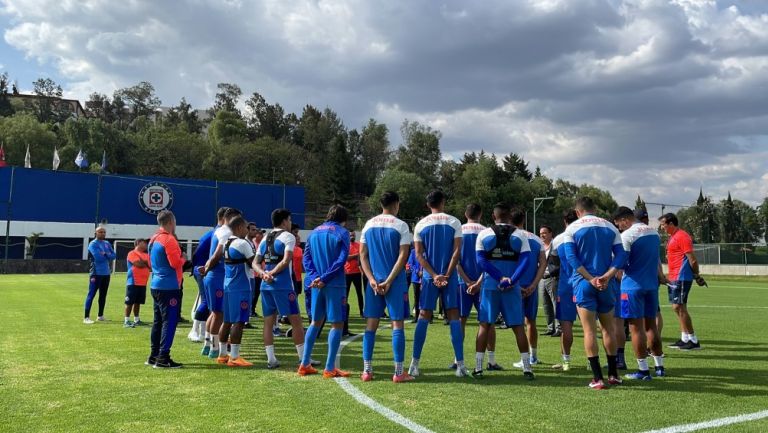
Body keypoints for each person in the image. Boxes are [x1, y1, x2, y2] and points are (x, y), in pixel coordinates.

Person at [563, 197, 627, 389]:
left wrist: (590, 278)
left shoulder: (572, 228)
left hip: (584, 282)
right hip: (606, 284)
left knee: (589, 330)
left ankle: (597, 378)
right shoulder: (610, 227)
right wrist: (607, 276)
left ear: (577, 212)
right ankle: (613, 375)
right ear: (594, 209)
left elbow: (572, 258)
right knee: (608, 329)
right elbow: (622, 255)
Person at [473, 202, 534, 380]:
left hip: (491, 286)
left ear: (494, 216)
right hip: (512, 288)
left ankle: (478, 368)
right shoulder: (520, 235)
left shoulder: (484, 234)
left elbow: (481, 262)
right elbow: (526, 262)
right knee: (518, 327)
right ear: (509, 216)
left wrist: (499, 277)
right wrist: (511, 280)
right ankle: (527, 368)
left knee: (485, 325)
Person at [408, 190, 466, 378]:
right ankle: (461, 366)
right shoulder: (454, 221)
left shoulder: (421, 224)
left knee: (424, 316)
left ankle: (414, 365)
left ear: (428, 205)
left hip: (428, 278)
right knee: (454, 316)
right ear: (443, 202)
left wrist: (433, 275)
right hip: (449, 278)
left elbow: (418, 254)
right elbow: (457, 252)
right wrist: (447, 275)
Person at [359, 192, 413, 382]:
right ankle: (399, 373)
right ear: (396, 204)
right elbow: (403, 255)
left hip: (373, 282)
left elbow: (362, 256)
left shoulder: (368, 224)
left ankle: (367, 371)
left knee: (371, 325)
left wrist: (372, 279)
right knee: (397, 324)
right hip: (395, 282)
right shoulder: (401, 225)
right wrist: (389, 280)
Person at [612, 206, 666, 380]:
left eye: (619, 224)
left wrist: (607, 276)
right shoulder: (653, 233)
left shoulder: (627, 235)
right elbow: (656, 260)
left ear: (625, 220)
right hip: (651, 285)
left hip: (632, 286)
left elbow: (620, 263)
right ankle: (659, 367)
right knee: (651, 326)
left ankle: (643, 370)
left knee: (636, 328)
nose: (619, 228)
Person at [299, 205, 352, 378]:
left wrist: (316, 277)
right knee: (337, 324)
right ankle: (330, 368)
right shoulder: (342, 233)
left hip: (316, 284)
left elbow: (306, 258)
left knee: (315, 322)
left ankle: (304, 363)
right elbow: (341, 259)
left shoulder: (313, 232)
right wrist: (325, 278)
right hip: (334, 283)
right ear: (343, 219)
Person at [254, 208, 308, 369]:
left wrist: (264, 274)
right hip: (283, 285)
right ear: (284, 221)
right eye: (290, 220)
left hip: (266, 285)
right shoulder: (288, 237)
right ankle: (303, 359)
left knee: (268, 323)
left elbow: (255, 263)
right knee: (296, 322)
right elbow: (286, 261)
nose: (290, 223)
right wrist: (271, 273)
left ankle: (271, 359)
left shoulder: (264, 239)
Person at [455, 203, 501, 371]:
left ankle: (457, 359)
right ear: (480, 214)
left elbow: (455, 261)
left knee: (460, 320)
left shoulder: (458, 230)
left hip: (462, 283)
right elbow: (490, 261)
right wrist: (478, 282)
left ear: (466, 214)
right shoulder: (487, 232)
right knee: (488, 321)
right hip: (485, 282)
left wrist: (467, 281)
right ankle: (491, 360)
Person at [199, 207, 242, 359]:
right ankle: (214, 348)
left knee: (215, 313)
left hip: (213, 276)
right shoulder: (226, 232)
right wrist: (207, 267)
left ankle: (208, 344)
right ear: (229, 217)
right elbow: (217, 254)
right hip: (218, 276)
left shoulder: (219, 230)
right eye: (237, 219)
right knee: (219, 314)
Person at [215, 216, 257, 367]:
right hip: (241, 287)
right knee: (239, 322)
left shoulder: (227, 242)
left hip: (228, 286)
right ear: (239, 228)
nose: (247, 230)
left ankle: (222, 355)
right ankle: (234, 357)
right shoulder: (242, 243)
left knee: (226, 321)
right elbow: (254, 264)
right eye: (246, 227)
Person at [659, 212, 705, 351]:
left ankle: (693, 340)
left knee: (679, 307)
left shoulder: (682, 236)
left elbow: (692, 259)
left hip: (682, 276)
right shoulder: (672, 237)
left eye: (663, 225)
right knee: (677, 307)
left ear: (671, 224)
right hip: (673, 277)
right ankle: (685, 338)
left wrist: (696, 275)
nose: (662, 228)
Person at [146, 210, 185, 368]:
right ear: (171, 222)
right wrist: (184, 258)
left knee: (158, 321)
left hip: (156, 284)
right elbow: (175, 263)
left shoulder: (153, 239)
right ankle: (163, 357)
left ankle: (154, 355)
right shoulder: (169, 240)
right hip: (169, 286)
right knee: (169, 321)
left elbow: (150, 262)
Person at [511, 209, 547, 368]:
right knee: (531, 321)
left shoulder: (512, 238)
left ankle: (525, 359)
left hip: (515, 286)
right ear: (524, 220)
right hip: (532, 286)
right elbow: (543, 263)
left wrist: (514, 284)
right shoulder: (537, 239)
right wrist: (534, 284)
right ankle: (533, 356)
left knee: (518, 323)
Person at [551, 209, 578, 371]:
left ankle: (566, 363)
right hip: (584, 283)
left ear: (564, 221)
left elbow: (554, 264)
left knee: (566, 325)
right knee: (590, 326)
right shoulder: (584, 237)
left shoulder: (558, 239)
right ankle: (591, 362)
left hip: (566, 286)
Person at [634, 208, 664, 340]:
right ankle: (655, 341)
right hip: (652, 278)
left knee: (639, 316)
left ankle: (647, 342)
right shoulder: (654, 234)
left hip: (637, 279)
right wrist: (661, 275)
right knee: (655, 313)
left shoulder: (632, 234)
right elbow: (657, 258)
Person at [84, 226, 116, 324]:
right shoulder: (93, 244)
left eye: (104, 232)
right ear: (96, 233)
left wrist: (105, 254)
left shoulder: (106, 243)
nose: (102, 234)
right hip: (96, 273)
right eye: (100, 232)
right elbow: (98, 258)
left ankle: (100, 315)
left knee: (103, 295)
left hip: (106, 273)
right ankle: (86, 317)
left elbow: (114, 256)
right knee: (91, 294)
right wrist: (107, 255)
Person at [188, 228, 213, 342]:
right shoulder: (215, 234)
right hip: (203, 270)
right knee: (206, 301)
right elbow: (197, 253)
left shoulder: (212, 234)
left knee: (207, 302)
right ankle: (194, 330)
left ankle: (203, 332)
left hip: (205, 270)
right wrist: (197, 268)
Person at [538, 225, 560, 337]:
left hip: (553, 278)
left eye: (545, 233)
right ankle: (550, 327)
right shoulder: (540, 246)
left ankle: (559, 328)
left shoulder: (555, 245)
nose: (542, 235)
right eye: (541, 233)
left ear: (551, 234)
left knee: (555, 303)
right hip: (542, 279)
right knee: (546, 304)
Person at [124, 238, 150, 328]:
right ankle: (126, 320)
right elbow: (138, 264)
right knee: (129, 302)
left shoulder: (146, 255)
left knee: (138, 302)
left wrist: (145, 263)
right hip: (133, 282)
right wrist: (145, 263)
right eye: (144, 243)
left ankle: (136, 319)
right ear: (138, 243)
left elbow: (150, 266)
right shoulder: (132, 253)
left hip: (143, 283)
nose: (146, 244)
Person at [345, 231, 365, 318]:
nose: (352, 236)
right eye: (350, 235)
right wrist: (357, 255)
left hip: (357, 273)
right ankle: (344, 312)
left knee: (359, 293)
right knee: (346, 294)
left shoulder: (359, 245)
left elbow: (362, 257)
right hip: (347, 273)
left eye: (353, 235)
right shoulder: (345, 246)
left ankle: (362, 312)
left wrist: (355, 256)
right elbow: (347, 258)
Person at [248, 223, 265, 319]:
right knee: (253, 293)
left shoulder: (262, 244)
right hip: (254, 273)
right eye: (259, 233)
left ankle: (252, 310)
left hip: (260, 273)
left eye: (262, 234)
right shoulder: (253, 243)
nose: (261, 235)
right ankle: (250, 310)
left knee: (257, 293)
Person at [406, 247, 422, 323]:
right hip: (416, 278)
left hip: (425, 277)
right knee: (417, 297)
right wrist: (417, 271)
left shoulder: (427, 250)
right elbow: (410, 263)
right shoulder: (413, 252)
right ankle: (417, 316)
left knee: (426, 297)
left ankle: (429, 316)